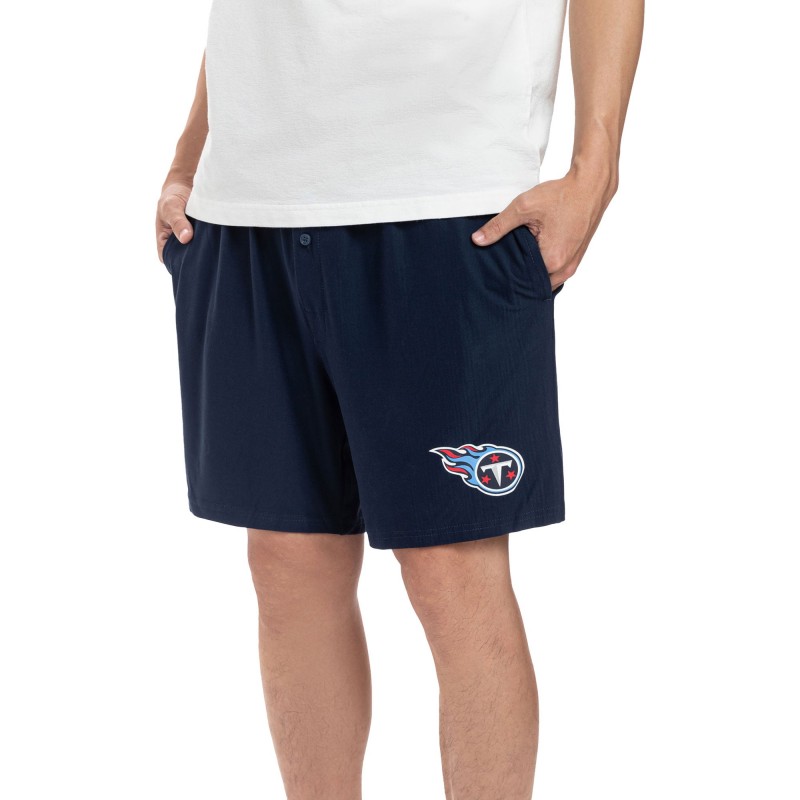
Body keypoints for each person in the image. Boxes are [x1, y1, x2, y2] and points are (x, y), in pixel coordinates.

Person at [155, 1, 643, 797]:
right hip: (249, 203)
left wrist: (596, 170)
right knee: (288, 563)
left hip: (447, 197)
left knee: (451, 572)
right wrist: (189, 155)